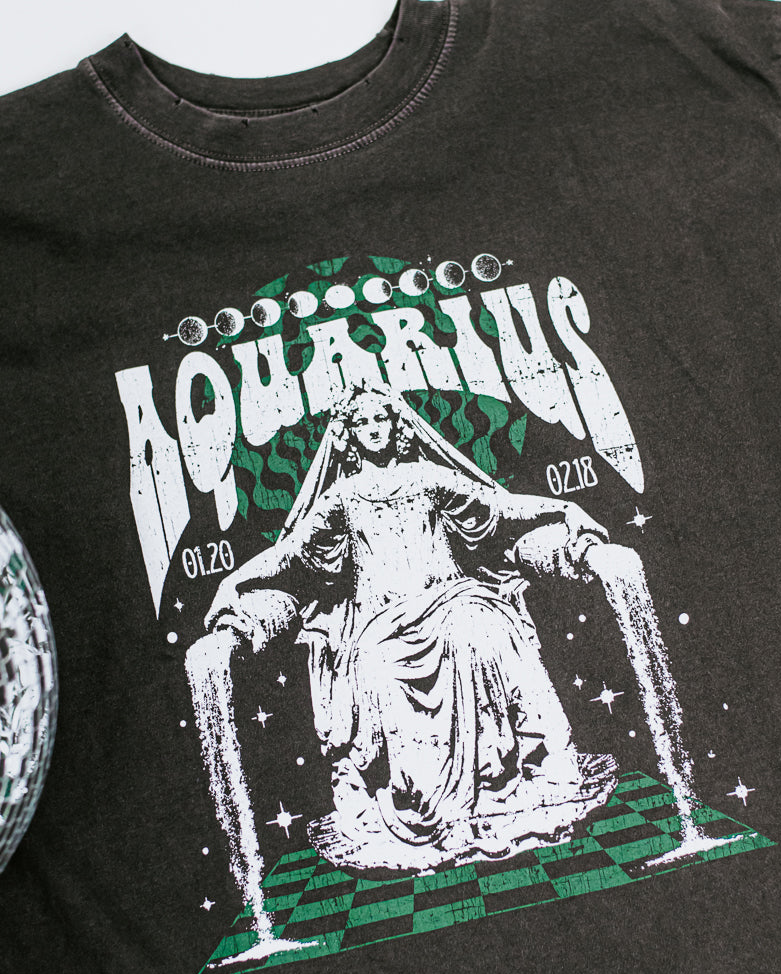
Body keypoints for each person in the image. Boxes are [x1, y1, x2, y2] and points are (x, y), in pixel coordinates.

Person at [186, 387, 618, 928]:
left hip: (452, 598)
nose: (374, 428)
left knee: (485, 626)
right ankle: (433, 813)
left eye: (382, 419)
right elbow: (290, 555)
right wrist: (234, 580)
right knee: (378, 667)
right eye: (363, 422)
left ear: (397, 426)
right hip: (382, 625)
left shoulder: (427, 478)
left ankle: (506, 784)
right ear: (350, 434)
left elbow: (501, 508)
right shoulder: (343, 497)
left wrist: (564, 506)